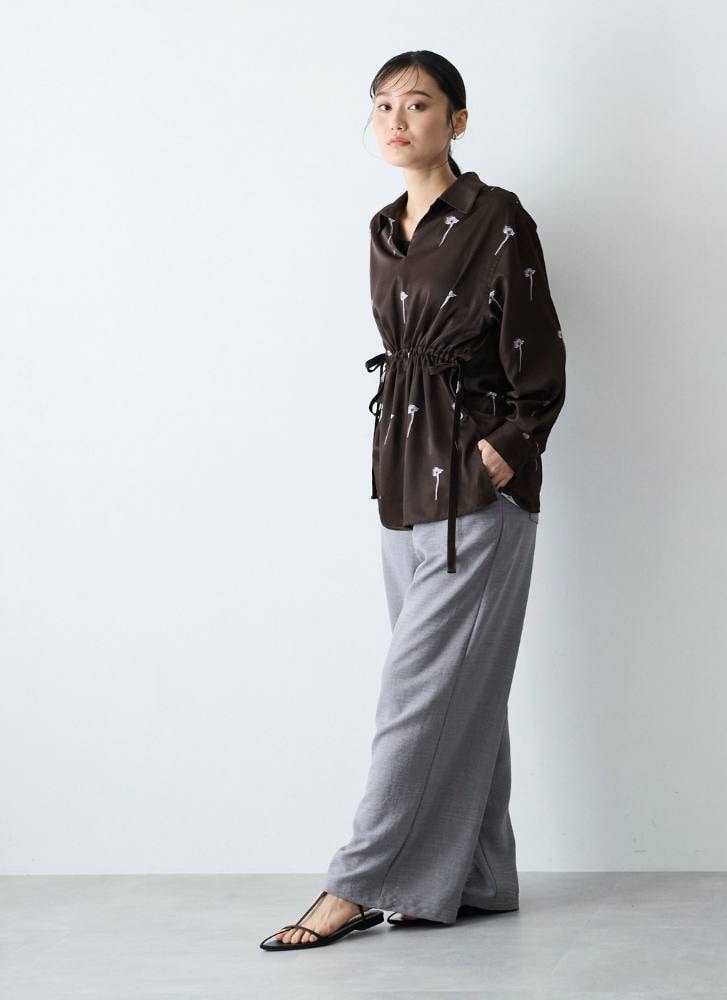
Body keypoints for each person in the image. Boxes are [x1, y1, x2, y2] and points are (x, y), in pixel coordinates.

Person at [260, 49, 566, 951]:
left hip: (476, 492)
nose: (397, 119)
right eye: (383, 105)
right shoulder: (383, 230)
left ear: (457, 121)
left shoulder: (498, 218)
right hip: (401, 481)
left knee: (416, 693)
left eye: (419, 103)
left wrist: (507, 451)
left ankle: (356, 883)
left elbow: (541, 355)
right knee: (458, 689)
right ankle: (479, 878)